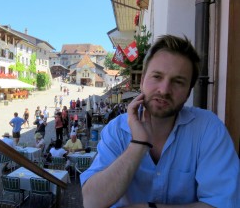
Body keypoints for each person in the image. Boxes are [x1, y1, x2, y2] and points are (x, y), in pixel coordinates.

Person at [81, 35, 240, 208]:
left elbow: (223, 203)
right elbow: (92, 202)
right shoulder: (117, 130)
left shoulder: (208, 129)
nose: (164, 90)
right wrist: (138, 145)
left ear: (188, 92)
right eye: (157, 77)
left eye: (178, 82)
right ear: (142, 81)